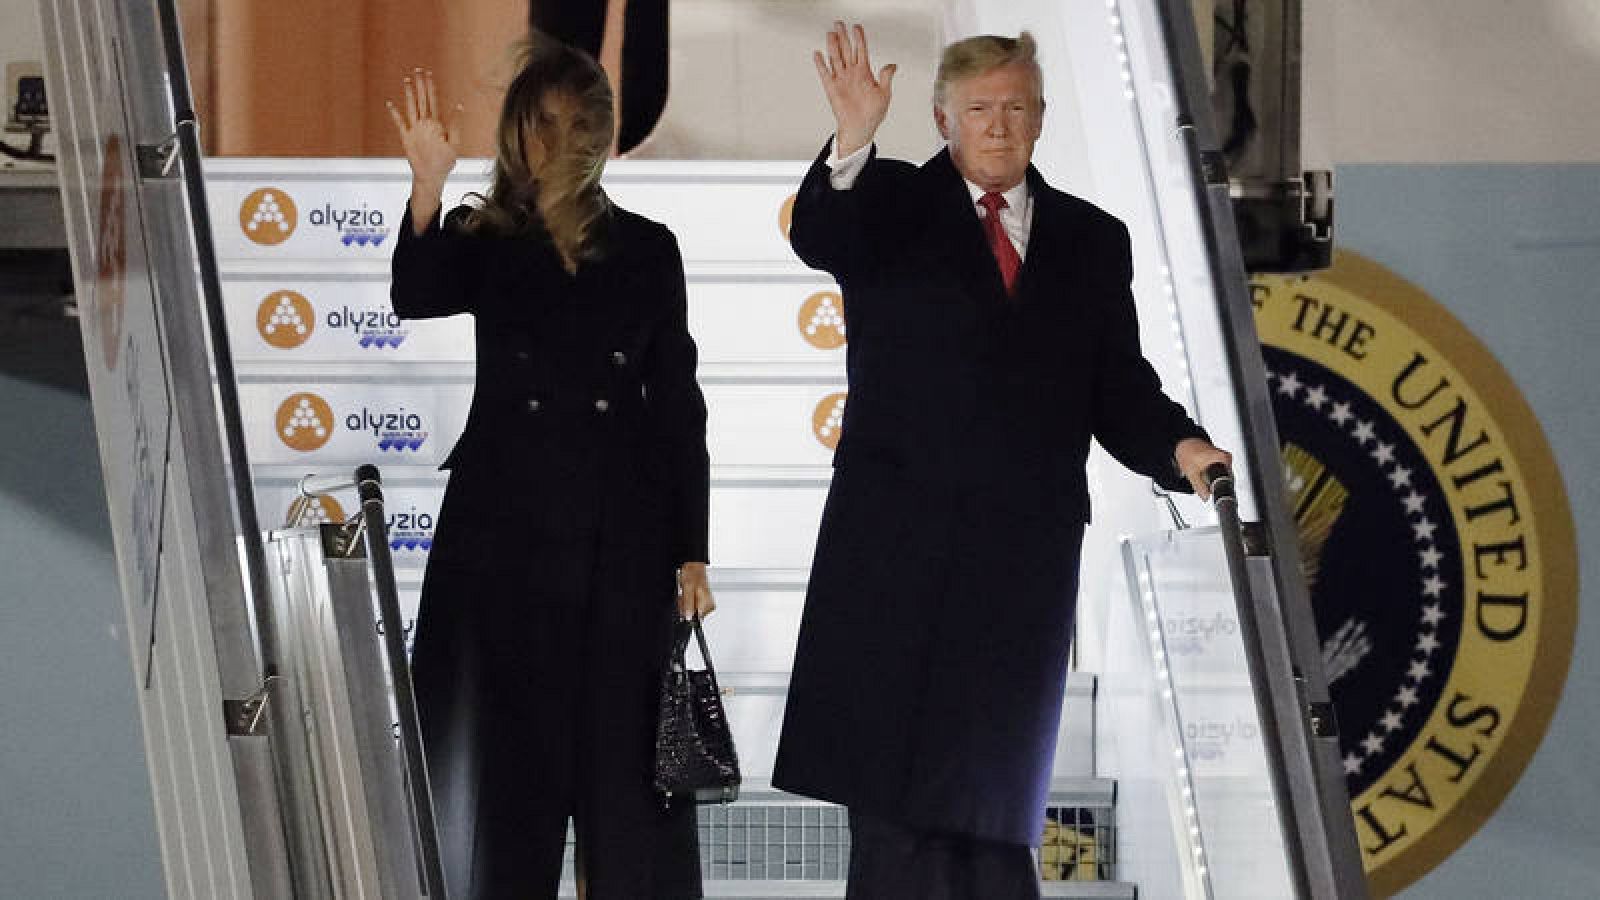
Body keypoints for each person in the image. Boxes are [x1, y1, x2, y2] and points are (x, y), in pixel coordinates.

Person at [771, 23, 1233, 899]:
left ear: (1041, 118)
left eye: (1015, 107)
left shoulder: (1094, 241)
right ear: (943, 119)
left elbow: (1119, 388)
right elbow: (824, 235)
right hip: (894, 559)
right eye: (979, 108)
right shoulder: (891, 203)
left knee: (991, 807)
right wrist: (857, 138)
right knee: (893, 811)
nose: (998, 125)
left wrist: (1181, 450)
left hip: (1018, 565)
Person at [386, 36, 712, 900]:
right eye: (540, 123)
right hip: (502, 547)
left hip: (622, 548)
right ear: (515, 134)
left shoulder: (649, 249)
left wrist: (693, 549)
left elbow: (677, 405)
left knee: (625, 792)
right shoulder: (482, 235)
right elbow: (414, 294)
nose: (557, 140)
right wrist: (426, 184)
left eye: (576, 122)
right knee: (504, 794)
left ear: (602, 135)